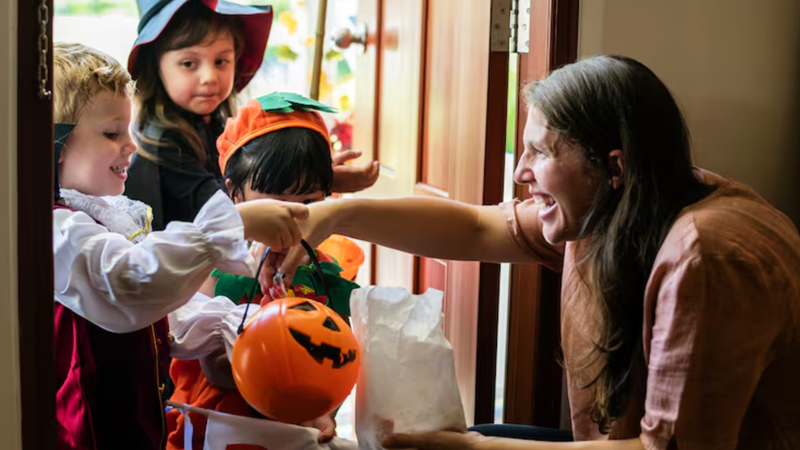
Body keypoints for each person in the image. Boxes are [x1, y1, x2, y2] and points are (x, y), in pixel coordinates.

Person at [278, 55, 800, 450]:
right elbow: (475, 228)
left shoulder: (708, 260)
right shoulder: (622, 202)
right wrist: (334, 215)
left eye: (541, 152)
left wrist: (476, 449)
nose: (518, 172)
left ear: (613, 168)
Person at [52, 42, 307, 450]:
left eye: (128, 130)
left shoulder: (103, 217)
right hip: (89, 434)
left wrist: (241, 324)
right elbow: (131, 285)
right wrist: (235, 224)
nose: (131, 146)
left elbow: (167, 313)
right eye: (111, 133)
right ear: (56, 145)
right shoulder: (54, 230)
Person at [166, 92, 361, 450]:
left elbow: (338, 361)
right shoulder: (215, 271)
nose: (292, 218)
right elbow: (215, 369)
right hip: (223, 428)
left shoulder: (327, 275)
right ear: (235, 196)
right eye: (274, 202)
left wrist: (322, 410)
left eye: (308, 202)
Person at [124, 0, 379, 231]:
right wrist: (321, 182)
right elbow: (229, 212)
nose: (210, 77)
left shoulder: (215, 123)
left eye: (221, 61)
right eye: (189, 64)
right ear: (155, 66)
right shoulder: (164, 145)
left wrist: (309, 173)